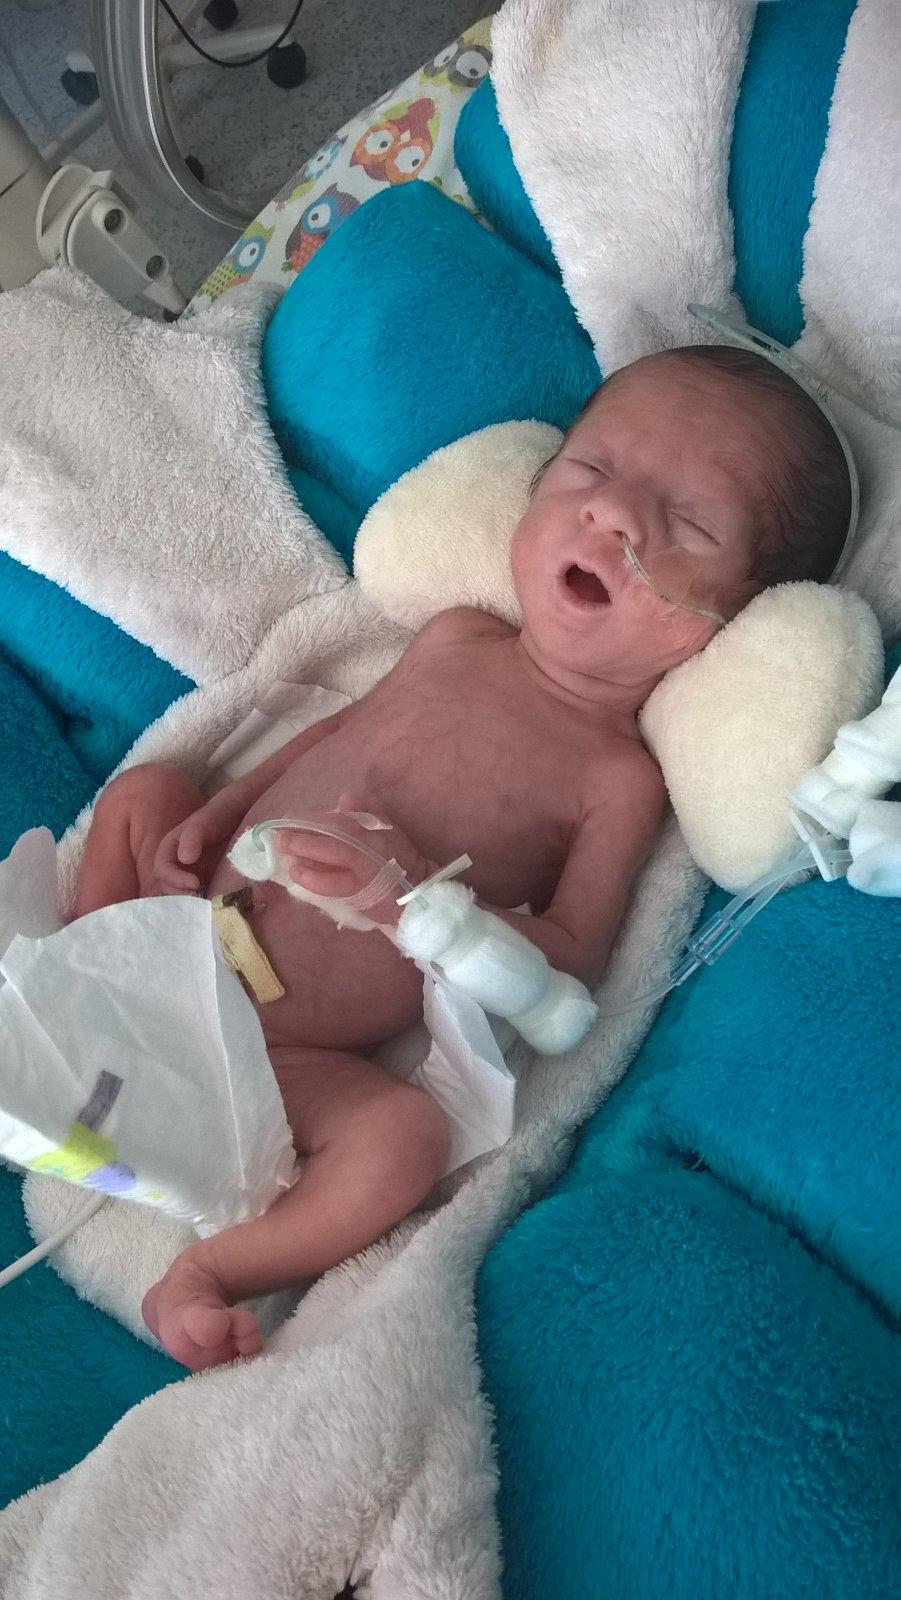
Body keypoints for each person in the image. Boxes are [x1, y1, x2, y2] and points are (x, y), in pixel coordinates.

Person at [74, 344, 852, 1369]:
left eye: (690, 524)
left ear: (737, 620)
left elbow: (573, 957)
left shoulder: (615, 778)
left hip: (282, 1052)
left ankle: (209, 1272)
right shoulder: (454, 635)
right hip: (172, 925)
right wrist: (216, 817)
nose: (613, 515)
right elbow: (331, 735)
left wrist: (414, 904)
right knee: (145, 792)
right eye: (589, 470)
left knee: (402, 1141)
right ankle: (74, 975)